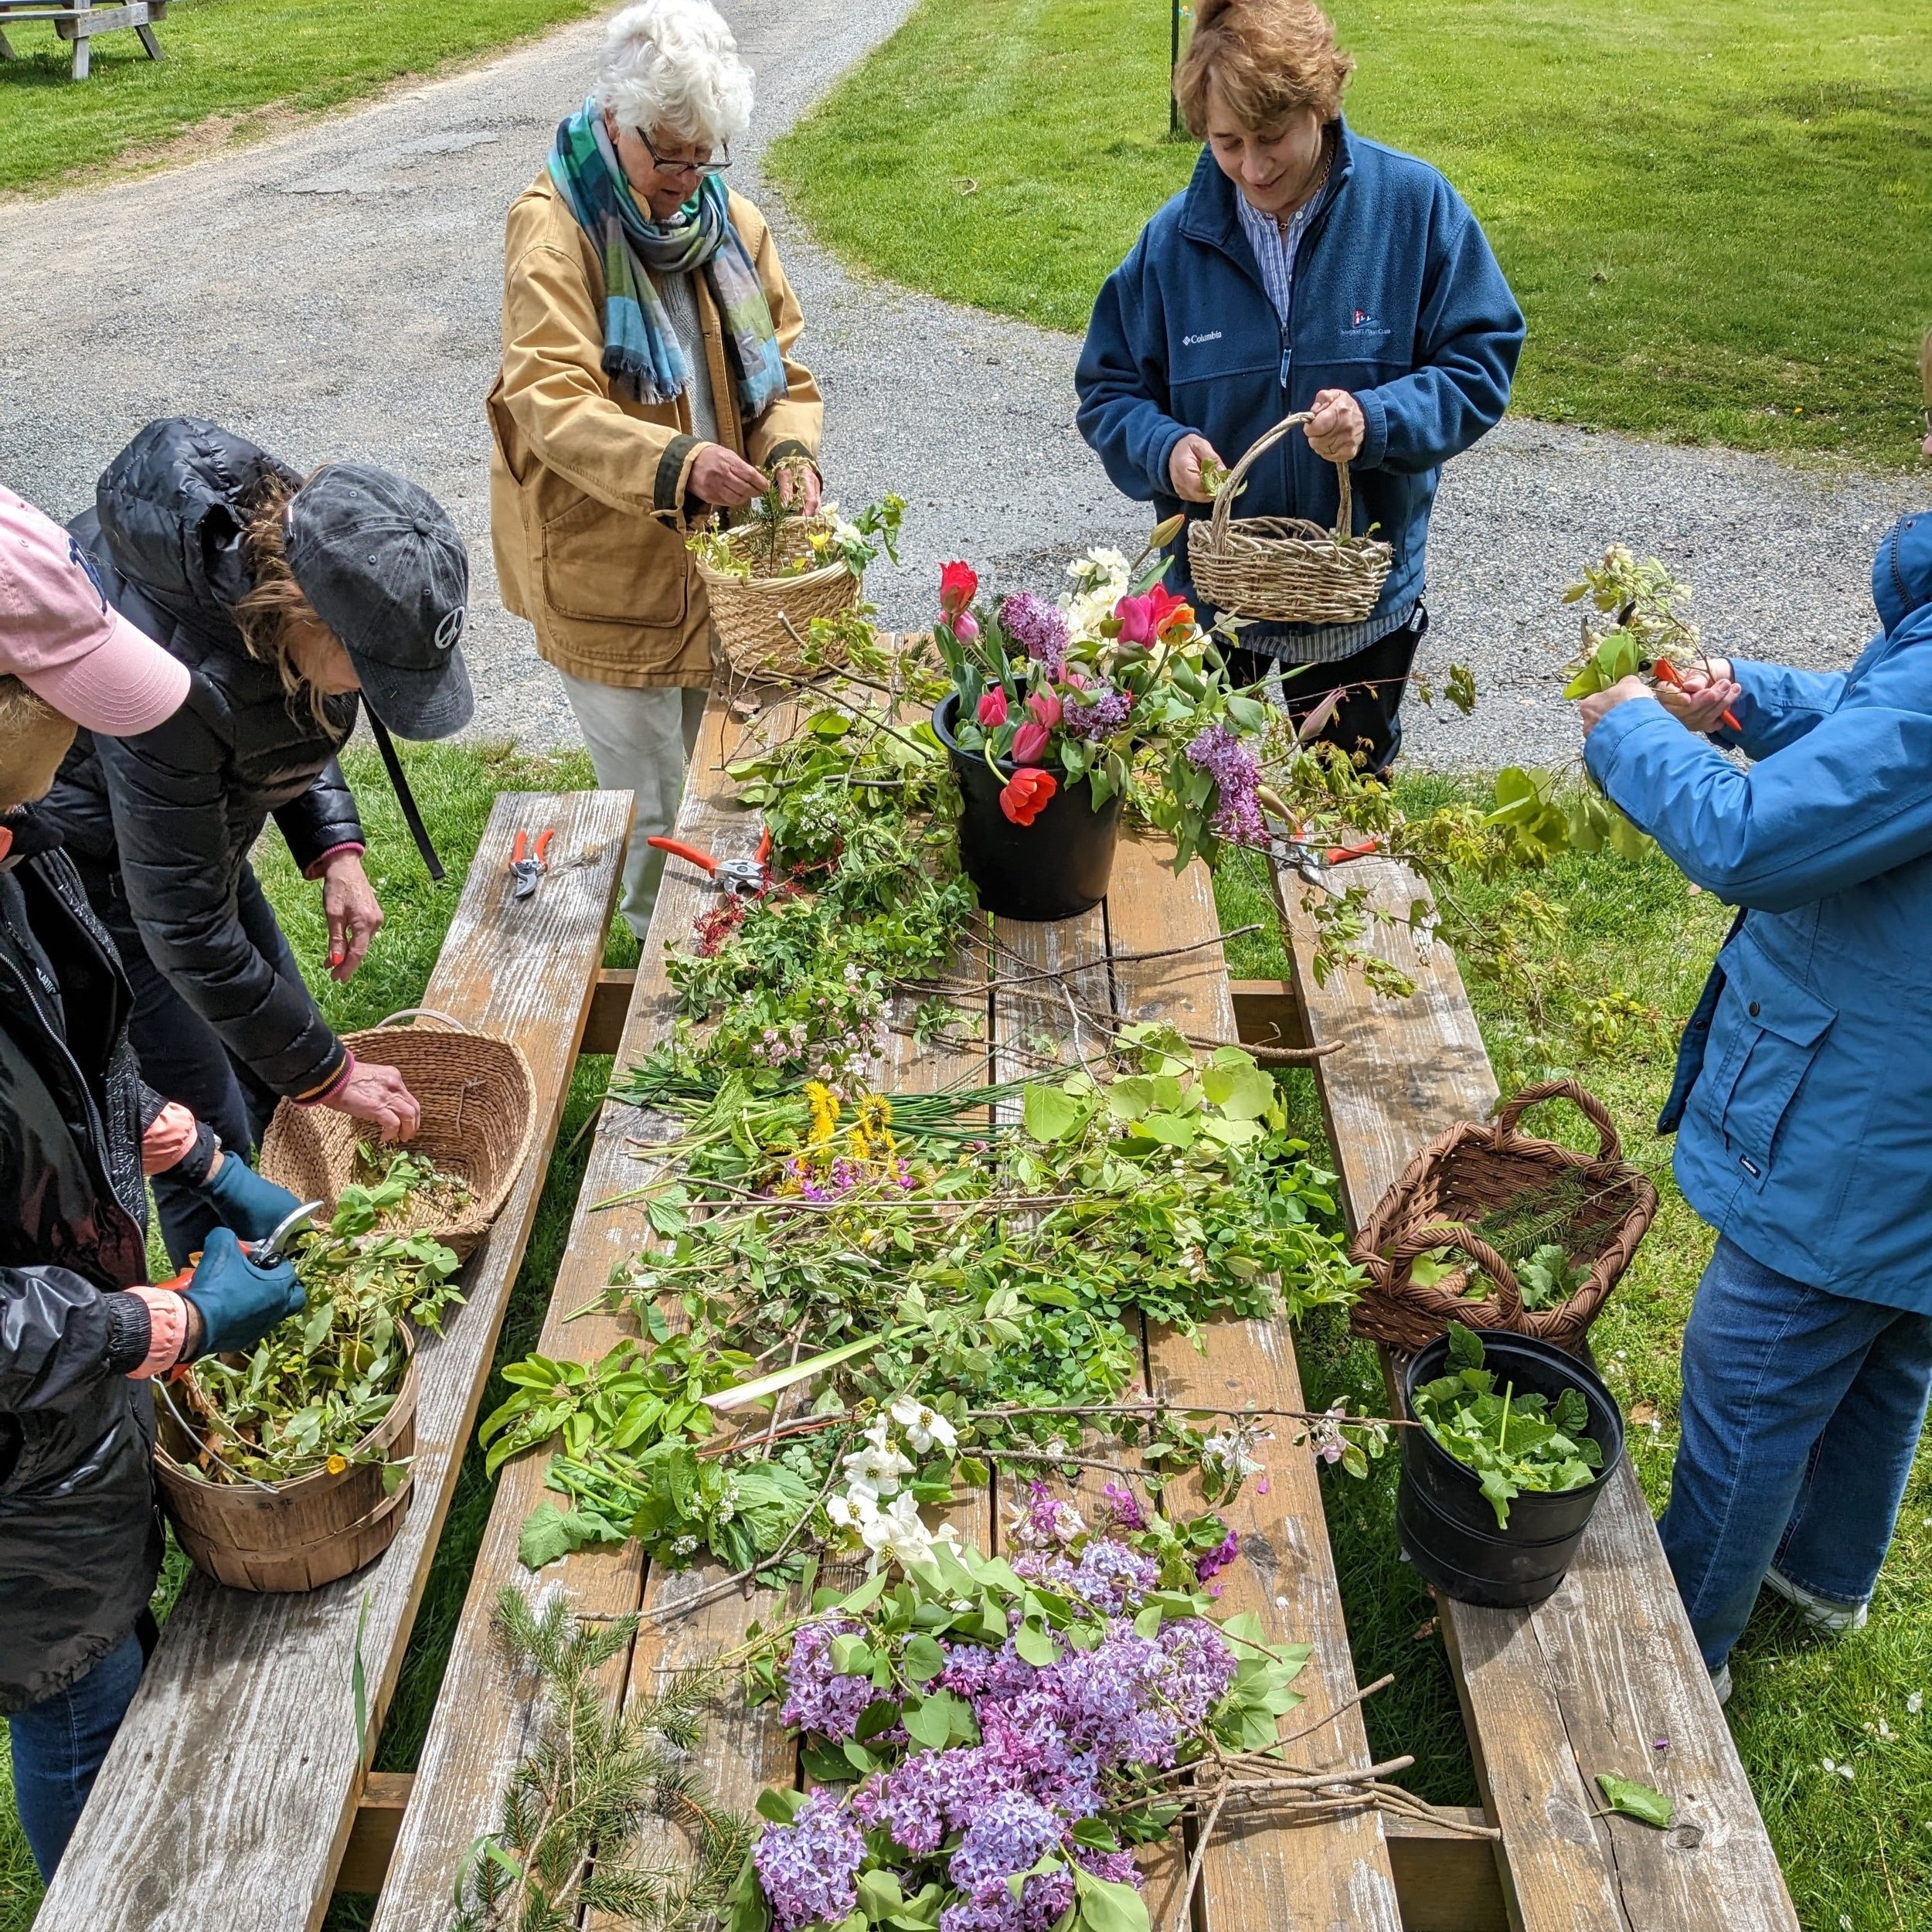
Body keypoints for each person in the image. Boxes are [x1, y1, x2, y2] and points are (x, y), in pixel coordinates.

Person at [2, 482, 308, 1879]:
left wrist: (181, 1144)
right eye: (63, 697)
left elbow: (67, 1043)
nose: (84, 737)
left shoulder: (15, 844)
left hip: (65, 1423)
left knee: (113, 1635)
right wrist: (162, 1327)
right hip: (19, 1463)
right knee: (76, 1694)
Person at [1577, 509, 1932, 1702]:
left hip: (1874, 1119)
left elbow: (1749, 839)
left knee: (1757, 1365)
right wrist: (1746, 702)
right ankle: (1824, 1576)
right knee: (1892, 1335)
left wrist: (1630, 736)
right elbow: (1883, 737)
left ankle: (1686, 1652)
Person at [37, 417, 475, 1265]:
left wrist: (334, 847)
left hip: (192, 839)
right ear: (313, 618)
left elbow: (289, 718)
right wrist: (336, 1074)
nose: (374, 697)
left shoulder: (286, 595)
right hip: (101, 877)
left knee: (278, 1066)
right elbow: (186, 931)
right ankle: (226, 1325)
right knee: (198, 1125)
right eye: (374, 674)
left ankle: (286, 1256)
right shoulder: (172, 678)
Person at [1074, 0, 1524, 777]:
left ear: (1322, 103)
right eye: (1227, 143)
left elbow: (1480, 361)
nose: (1252, 167)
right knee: (1209, 841)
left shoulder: (1412, 209)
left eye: (1272, 137)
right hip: (1215, 626)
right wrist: (1165, 447)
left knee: (1347, 841)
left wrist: (1378, 421)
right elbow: (1108, 388)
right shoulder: (1172, 244)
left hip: (1359, 622)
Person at [490, 0, 824, 939]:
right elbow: (549, 401)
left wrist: (790, 452)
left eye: (700, 156)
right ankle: (653, 1007)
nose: (683, 179)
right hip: (610, 577)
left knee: (724, 786)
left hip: (717, 570)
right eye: (664, 154)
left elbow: (784, 374)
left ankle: (721, 961)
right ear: (615, 120)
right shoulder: (555, 230)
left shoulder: (732, 224)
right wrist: (678, 463)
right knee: (650, 825)